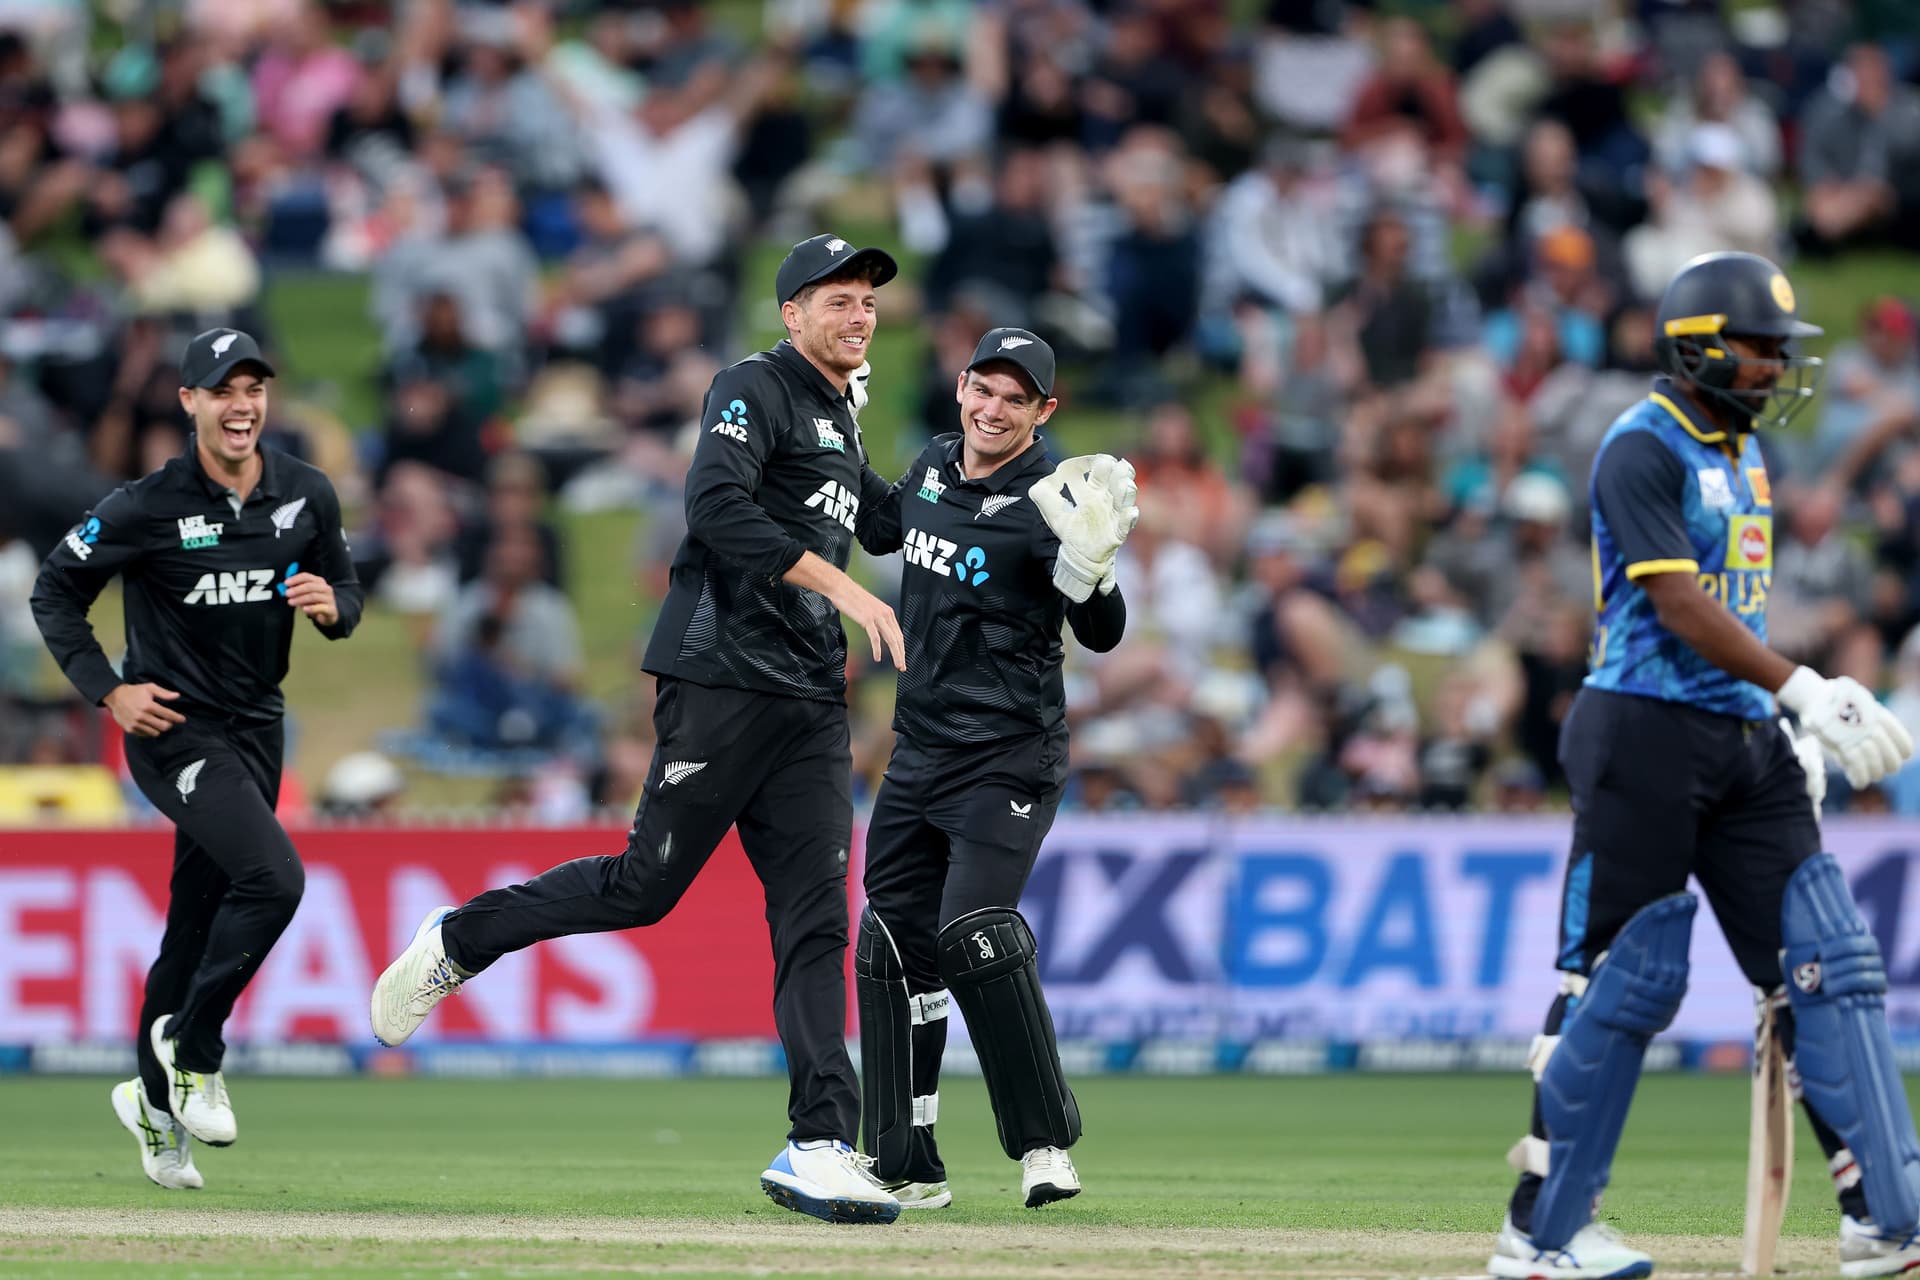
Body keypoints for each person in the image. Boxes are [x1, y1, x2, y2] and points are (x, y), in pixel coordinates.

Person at [370, 234, 911, 1225]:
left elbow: (892, 521)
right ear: (791, 313)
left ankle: (819, 1143)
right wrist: (842, 588)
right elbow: (714, 506)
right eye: (837, 299)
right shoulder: (753, 384)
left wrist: (999, 486)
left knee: (816, 921)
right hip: (722, 677)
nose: (859, 314)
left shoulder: (841, 417)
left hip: (807, 700)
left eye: (868, 300)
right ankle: (459, 936)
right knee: (643, 888)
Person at [1488, 252, 1920, 1279]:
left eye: (1779, 349)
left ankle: (1883, 1213)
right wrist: (1802, 688)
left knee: (1825, 962)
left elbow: (1739, 609)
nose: (1775, 366)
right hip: (1642, 731)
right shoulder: (1642, 445)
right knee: (1618, 978)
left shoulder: (1746, 450)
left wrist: (1778, 726)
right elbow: (1680, 603)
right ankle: (1542, 1232)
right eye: (1759, 347)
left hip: (1741, 739)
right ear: (1698, 348)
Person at [29, 327, 363, 1190]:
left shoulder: (306, 493)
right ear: (189, 402)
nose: (242, 406)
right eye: (223, 391)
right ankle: (193, 1047)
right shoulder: (145, 505)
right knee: (275, 881)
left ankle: (148, 1100)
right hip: (172, 729)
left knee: (193, 926)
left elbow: (345, 589)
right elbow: (55, 590)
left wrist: (334, 608)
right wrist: (110, 692)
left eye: (253, 389)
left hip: (259, 729)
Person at [851, 328, 1136, 1210]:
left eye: (1016, 398)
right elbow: (880, 525)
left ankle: (1046, 1146)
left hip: (1009, 755)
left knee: (975, 931)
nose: (993, 409)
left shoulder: (1055, 497)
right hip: (918, 749)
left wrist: (1095, 575)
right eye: (984, 388)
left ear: (1044, 411)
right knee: (891, 943)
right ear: (962, 386)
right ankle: (905, 1160)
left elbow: (1101, 633)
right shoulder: (935, 462)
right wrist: (831, 430)